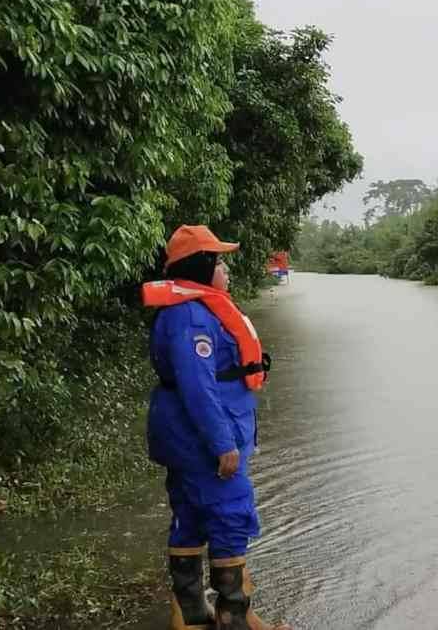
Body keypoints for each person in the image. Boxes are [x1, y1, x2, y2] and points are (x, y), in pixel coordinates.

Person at [142, 225, 290, 630]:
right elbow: (197, 384)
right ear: (201, 266)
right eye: (220, 261)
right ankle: (234, 617)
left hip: (185, 434)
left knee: (189, 515)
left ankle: (190, 615)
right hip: (204, 437)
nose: (225, 269)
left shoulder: (193, 309)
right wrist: (223, 444)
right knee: (230, 514)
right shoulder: (190, 315)